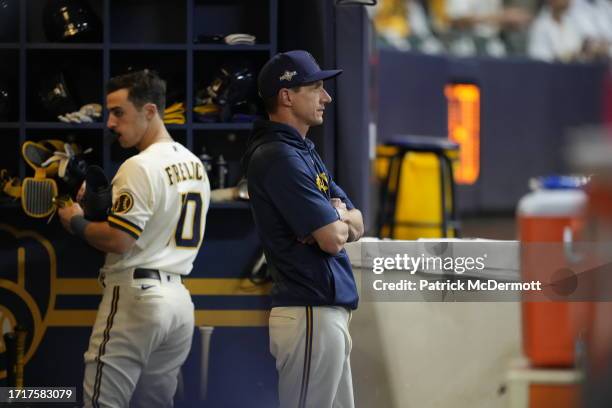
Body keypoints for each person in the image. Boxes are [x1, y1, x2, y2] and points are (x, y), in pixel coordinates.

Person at [57, 70, 210, 407]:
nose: (110, 122)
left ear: (150, 111)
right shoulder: (194, 163)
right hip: (179, 303)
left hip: (137, 298)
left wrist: (76, 222)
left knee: (102, 402)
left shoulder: (139, 165)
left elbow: (119, 240)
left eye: (119, 112)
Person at [242, 50, 364, 408]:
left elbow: (358, 220)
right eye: (315, 88)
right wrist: (335, 220)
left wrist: (335, 216)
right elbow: (332, 239)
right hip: (308, 310)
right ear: (287, 95)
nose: (326, 97)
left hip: (324, 313)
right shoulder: (277, 155)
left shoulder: (301, 150)